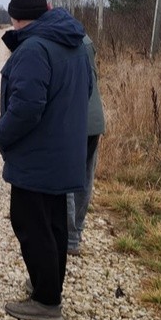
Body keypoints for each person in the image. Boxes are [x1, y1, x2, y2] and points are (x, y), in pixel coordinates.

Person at [0, 0, 91, 320]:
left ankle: (47, 301)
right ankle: (47, 284)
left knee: (30, 223)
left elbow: (26, 107)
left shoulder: (34, 48)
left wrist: (0, 134)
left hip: (38, 154)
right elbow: (87, 90)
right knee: (53, 223)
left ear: (17, 18)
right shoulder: (72, 42)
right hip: (62, 149)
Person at [67, 34, 106, 256]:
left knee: (66, 181)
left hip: (74, 121)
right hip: (94, 119)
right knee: (84, 177)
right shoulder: (85, 40)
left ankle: (69, 237)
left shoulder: (56, 42)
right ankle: (75, 235)